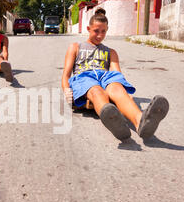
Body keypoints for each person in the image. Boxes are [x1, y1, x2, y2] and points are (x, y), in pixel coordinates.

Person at [62, 9, 169, 141]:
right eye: (96, 31)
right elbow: (66, 74)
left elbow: (117, 73)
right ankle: (111, 117)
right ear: (88, 29)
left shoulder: (111, 52)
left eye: (103, 32)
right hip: (85, 77)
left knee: (116, 88)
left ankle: (140, 121)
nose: (100, 35)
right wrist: (66, 90)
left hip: (106, 77)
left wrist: (122, 92)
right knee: (97, 91)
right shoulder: (76, 47)